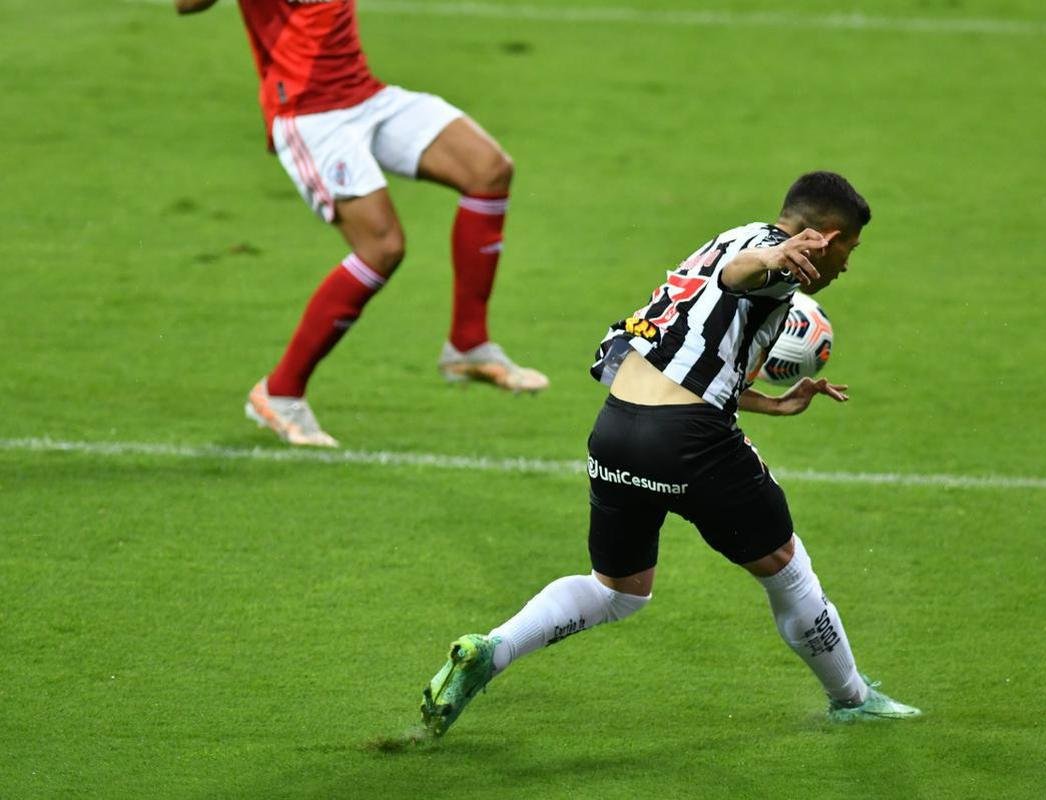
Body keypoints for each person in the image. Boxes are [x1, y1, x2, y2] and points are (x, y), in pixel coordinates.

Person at [417, 171, 921, 737]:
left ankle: (493, 650)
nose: (846, 266)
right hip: (689, 440)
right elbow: (741, 276)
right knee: (787, 571)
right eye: (849, 250)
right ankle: (852, 697)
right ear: (825, 237)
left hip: (616, 428)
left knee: (618, 590)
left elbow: (684, 350)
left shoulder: (720, 243)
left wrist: (775, 406)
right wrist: (778, 258)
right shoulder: (767, 261)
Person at [174, 0, 548, 448]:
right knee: (382, 247)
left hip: (365, 95)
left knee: (488, 168)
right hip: (308, 114)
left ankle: (468, 344)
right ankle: (280, 391)